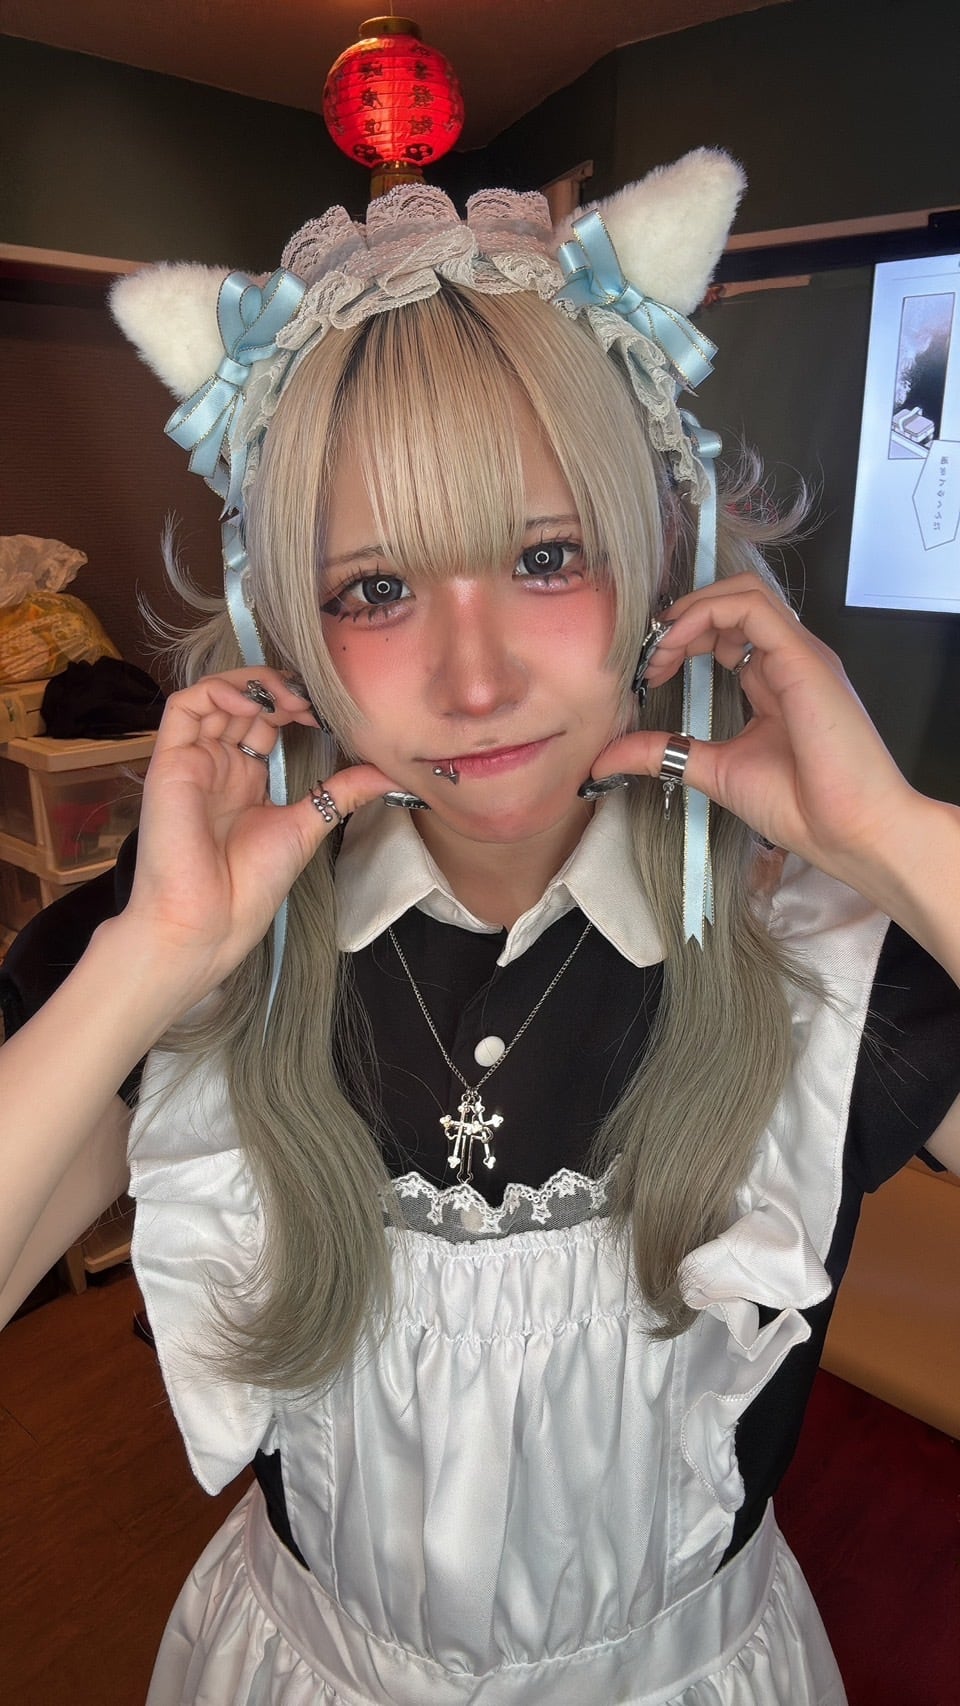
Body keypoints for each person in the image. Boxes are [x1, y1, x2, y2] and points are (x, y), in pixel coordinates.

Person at [1, 150, 958, 1706]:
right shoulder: (191, 945)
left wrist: (894, 837)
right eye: (376, 587)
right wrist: (150, 957)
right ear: (286, 621)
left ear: (661, 551)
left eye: (545, 556)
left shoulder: (835, 945)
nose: (474, 678)